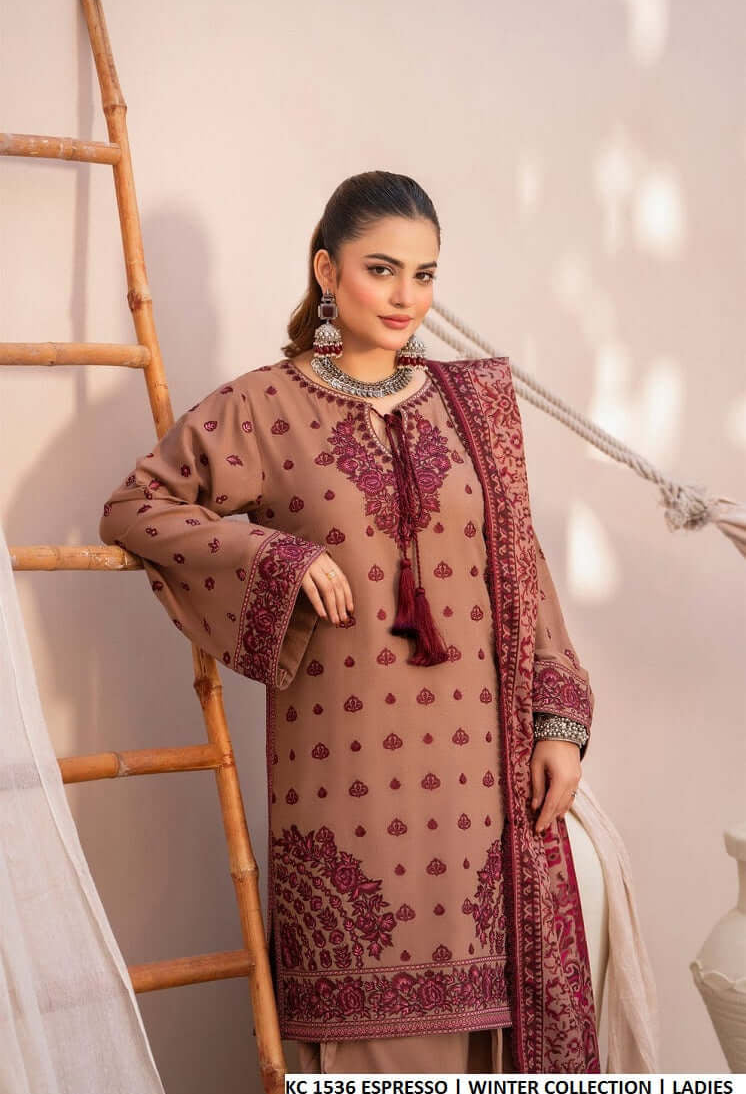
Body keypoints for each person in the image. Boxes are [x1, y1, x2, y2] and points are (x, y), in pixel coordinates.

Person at [98, 170, 599, 1074]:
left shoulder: (468, 408)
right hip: (348, 785)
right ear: (327, 271)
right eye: (382, 269)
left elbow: (522, 564)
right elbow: (137, 507)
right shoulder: (264, 406)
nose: (407, 296)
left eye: (425, 274)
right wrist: (279, 559)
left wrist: (556, 724)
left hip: (480, 786)